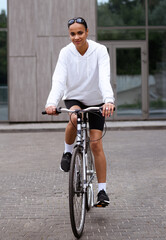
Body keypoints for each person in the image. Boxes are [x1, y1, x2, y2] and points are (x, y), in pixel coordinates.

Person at [45, 17, 115, 207]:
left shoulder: (99, 50)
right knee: (74, 117)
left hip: (97, 101)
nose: (76, 37)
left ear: (87, 32)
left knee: (96, 146)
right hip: (74, 97)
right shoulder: (65, 53)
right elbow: (59, 80)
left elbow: (103, 78)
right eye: (72, 34)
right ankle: (68, 153)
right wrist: (51, 103)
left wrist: (108, 100)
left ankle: (102, 191)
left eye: (80, 33)